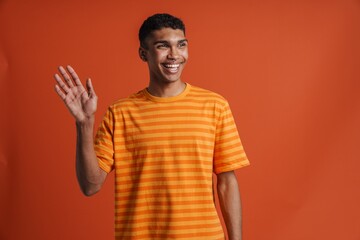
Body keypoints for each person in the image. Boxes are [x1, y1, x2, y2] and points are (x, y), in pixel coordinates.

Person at [54, 13, 249, 240]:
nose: (174, 55)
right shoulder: (120, 113)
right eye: (162, 46)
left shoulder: (215, 106)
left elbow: (226, 182)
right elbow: (90, 185)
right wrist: (84, 124)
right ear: (143, 53)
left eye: (181, 45)